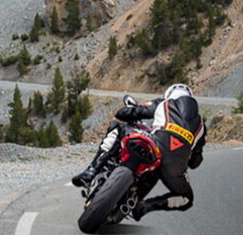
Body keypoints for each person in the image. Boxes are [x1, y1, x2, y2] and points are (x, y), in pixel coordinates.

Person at [72, 83, 207, 220]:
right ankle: (145, 206)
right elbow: (195, 162)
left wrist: (127, 111)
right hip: (175, 166)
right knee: (186, 198)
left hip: (156, 146)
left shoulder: (163, 103)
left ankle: (92, 170)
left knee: (117, 128)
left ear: (169, 94)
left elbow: (125, 114)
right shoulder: (201, 125)